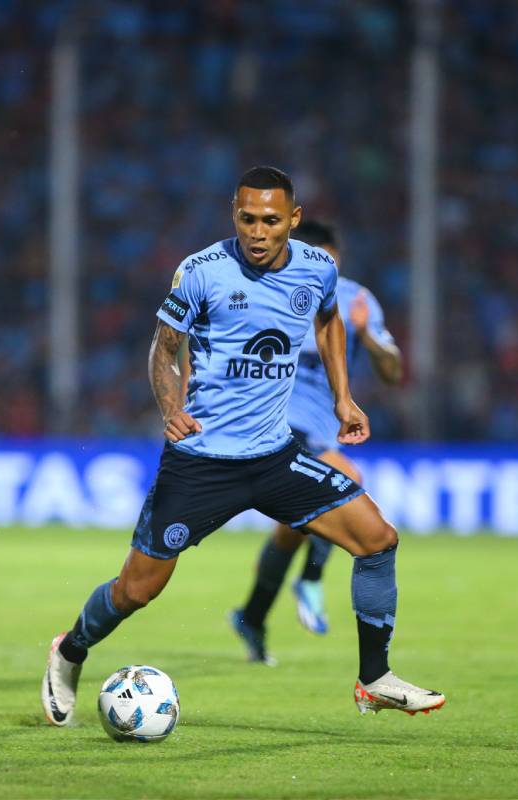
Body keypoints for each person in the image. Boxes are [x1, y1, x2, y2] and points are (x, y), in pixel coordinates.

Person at [42, 166, 444, 724]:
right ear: (235, 215)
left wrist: (342, 398)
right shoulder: (201, 272)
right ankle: (69, 651)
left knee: (377, 540)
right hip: (201, 463)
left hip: (274, 457)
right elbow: (164, 349)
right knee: (136, 590)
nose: (257, 232)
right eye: (247, 219)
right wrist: (170, 409)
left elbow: (328, 320)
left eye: (271, 221)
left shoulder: (317, 268)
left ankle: (374, 678)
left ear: (293, 220)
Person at [231, 219, 402, 662]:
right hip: (275, 424)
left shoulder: (356, 299)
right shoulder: (267, 290)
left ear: (337, 259)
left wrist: (366, 334)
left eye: (326, 258)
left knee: (292, 530)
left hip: (322, 431)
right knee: (347, 481)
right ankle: (310, 579)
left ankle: (251, 615)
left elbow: (393, 371)